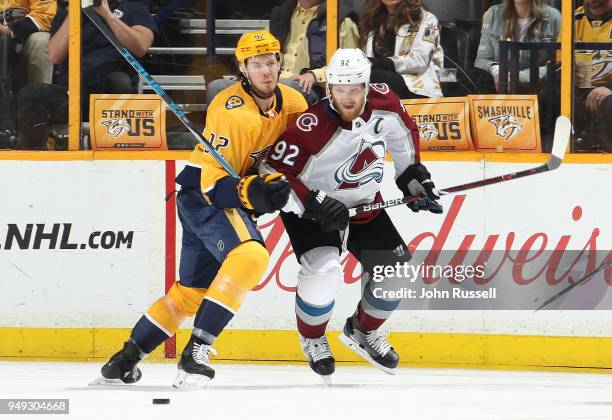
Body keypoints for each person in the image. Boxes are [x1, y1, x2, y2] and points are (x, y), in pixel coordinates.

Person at [99, 30, 308, 388]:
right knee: (251, 256)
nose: (266, 71)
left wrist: (272, 183)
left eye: (271, 62)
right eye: (256, 64)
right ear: (243, 68)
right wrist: (252, 192)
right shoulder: (232, 113)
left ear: (280, 63)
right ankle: (197, 350)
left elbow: (290, 159)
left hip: (209, 196)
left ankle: (125, 359)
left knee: (192, 293)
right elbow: (214, 182)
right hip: (205, 196)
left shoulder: (293, 103)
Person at [264, 48, 442, 381]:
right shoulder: (310, 125)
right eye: (339, 89)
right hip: (313, 211)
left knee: (397, 275)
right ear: (329, 89)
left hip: (363, 204)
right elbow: (273, 169)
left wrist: (413, 178)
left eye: (354, 89)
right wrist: (312, 201)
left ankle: (362, 330)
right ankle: (313, 338)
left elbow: (404, 139)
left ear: (366, 85)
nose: (347, 97)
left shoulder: (386, 102)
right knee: (324, 272)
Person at [15, 0, 157, 150]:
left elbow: (141, 45)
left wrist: (108, 15)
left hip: (110, 93)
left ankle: (117, 152)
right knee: (31, 94)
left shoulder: (131, 6)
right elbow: (55, 55)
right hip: (73, 95)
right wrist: (73, 14)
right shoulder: (68, 11)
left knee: (117, 80)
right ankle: (36, 157)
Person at [206, 0, 360, 105]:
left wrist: (314, 75)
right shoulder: (281, 13)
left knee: (284, 87)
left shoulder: (342, 19)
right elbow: (264, 53)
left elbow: (351, 67)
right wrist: (248, 74)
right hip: (273, 77)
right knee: (217, 87)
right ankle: (225, 147)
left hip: (309, 87)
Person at [360, 0, 444, 99]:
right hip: (382, 91)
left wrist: (376, 62)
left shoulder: (426, 19)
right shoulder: (373, 21)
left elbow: (420, 59)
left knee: (372, 75)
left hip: (416, 90)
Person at [475, 0, 561, 92]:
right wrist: (497, 71)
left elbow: (558, 66)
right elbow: (481, 60)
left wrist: (515, 77)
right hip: (499, 95)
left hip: (538, 94)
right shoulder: (492, 14)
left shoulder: (554, 17)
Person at [571, 0, 611, 152]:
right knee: (549, 96)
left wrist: (608, 87)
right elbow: (558, 59)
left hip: (608, 89)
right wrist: (567, 73)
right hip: (580, 86)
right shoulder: (575, 17)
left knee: (609, 103)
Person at [0, 0, 56, 85]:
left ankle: (39, 93)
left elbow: (45, 15)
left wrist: (10, 29)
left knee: (40, 41)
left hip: (26, 33)